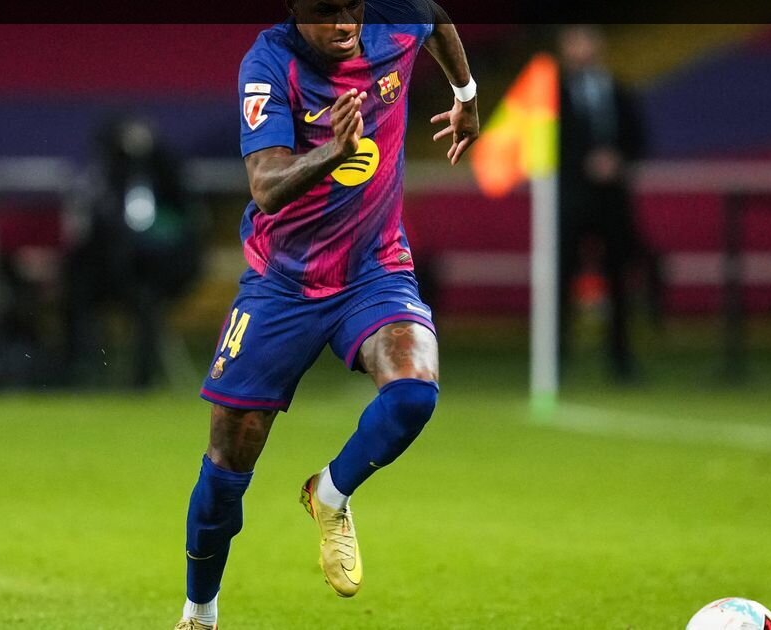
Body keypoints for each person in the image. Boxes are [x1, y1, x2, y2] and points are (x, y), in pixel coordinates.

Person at [175, 1, 478, 628]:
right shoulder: (270, 63)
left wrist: (465, 94)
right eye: (326, 12)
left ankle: (330, 493)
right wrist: (335, 151)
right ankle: (199, 613)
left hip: (374, 270)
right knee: (226, 471)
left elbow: (434, 16)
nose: (344, 24)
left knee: (414, 393)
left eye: (351, 7)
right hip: (282, 284)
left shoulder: (393, 20)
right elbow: (265, 184)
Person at [64, 116, 201, 388]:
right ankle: (81, 370)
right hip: (116, 274)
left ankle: (142, 380)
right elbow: (92, 243)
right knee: (76, 290)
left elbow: (186, 236)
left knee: (146, 304)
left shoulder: (167, 178)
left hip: (158, 274)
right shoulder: (110, 180)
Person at [555, 25, 652, 383]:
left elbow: (639, 138)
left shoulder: (618, 90)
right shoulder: (550, 93)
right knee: (560, 279)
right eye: (574, 42)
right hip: (569, 202)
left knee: (619, 279)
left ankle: (621, 359)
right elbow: (547, 143)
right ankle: (554, 360)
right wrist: (582, 163)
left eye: (586, 41)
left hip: (613, 202)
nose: (581, 49)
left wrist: (618, 160)